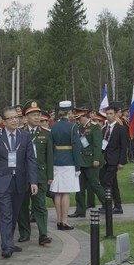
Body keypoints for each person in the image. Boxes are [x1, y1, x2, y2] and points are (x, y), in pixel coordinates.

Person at [0, 106, 37, 258]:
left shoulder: (25, 136)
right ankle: (7, 246)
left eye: (17, 117)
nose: (15, 120)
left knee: (14, 214)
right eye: (11, 118)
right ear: (2, 121)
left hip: (20, 182)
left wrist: (33, 181)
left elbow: (30, 160)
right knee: (6, 214)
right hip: (2, 181)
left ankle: (9, 240)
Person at [17, 100, 53, 246]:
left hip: (40, 175)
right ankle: (25, 233)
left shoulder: (46, 133)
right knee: (22, 205)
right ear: (25, 118)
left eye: (38, 114)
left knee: (40, 205)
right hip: (22, 175)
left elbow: (49, 156)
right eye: (33, 115)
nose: (37, 117)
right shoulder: (19, 133)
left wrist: (50, 175)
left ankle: (43, 234)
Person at [69, 107, 106, 217]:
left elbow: (97, 145)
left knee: (95, 185)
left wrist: (96, 159)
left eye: (79, 118)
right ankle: (80, 210)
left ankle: (107, 204)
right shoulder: (78, 128)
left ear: (85, 117)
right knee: (79, 187)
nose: (77, 121)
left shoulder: (95, 128)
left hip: (91, 161)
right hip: (81, 162)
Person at [50, 101, 81, 229]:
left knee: (57, 192)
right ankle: (64, 221)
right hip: (68, 161)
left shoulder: (53, 127)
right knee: (65, 193)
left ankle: (58, 220)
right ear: (69, 112)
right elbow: (76, 148)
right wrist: (77, 166)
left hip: (56, 161)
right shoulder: (73, 127)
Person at [100, 105, 128, 214]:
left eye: (111, 114)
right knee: (113, 183)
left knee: (107, 182)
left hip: (114, 159)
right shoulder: (105, 128)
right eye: (107, 114)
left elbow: (123, 146)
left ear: (116, 115)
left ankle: (107, 204)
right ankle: (118, 206)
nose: (108, 116)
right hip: (105, 159)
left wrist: (121, 162)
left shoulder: (121, 128)